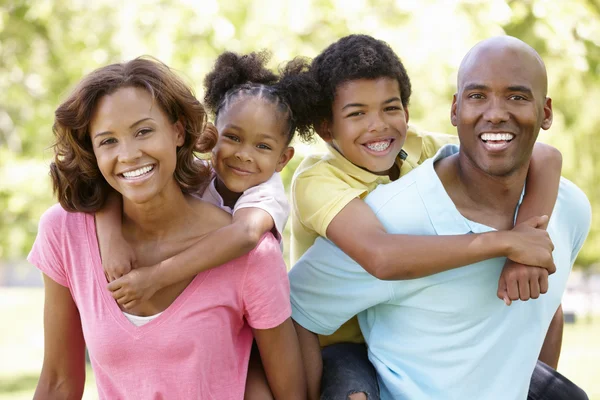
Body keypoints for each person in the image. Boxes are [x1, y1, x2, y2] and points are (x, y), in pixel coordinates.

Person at [289, 36, 591, 399]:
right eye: (357, 114)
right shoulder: (319, 182)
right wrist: (506, 242)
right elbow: (381, 256)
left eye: (390, 108)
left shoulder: (418, 147)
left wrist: (528, 238)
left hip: (391, 324)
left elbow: (538, 153)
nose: (378, 126)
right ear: (326, 128)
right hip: (339, 339)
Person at [28, 57, 306, 399]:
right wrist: (110, 233)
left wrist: (156, 276)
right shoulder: (64, 233)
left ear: (177, 131)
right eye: (108, 141)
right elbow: (58, 383)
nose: (128, 154)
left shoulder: (251, 246)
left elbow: (290, 392)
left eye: (143, 131)